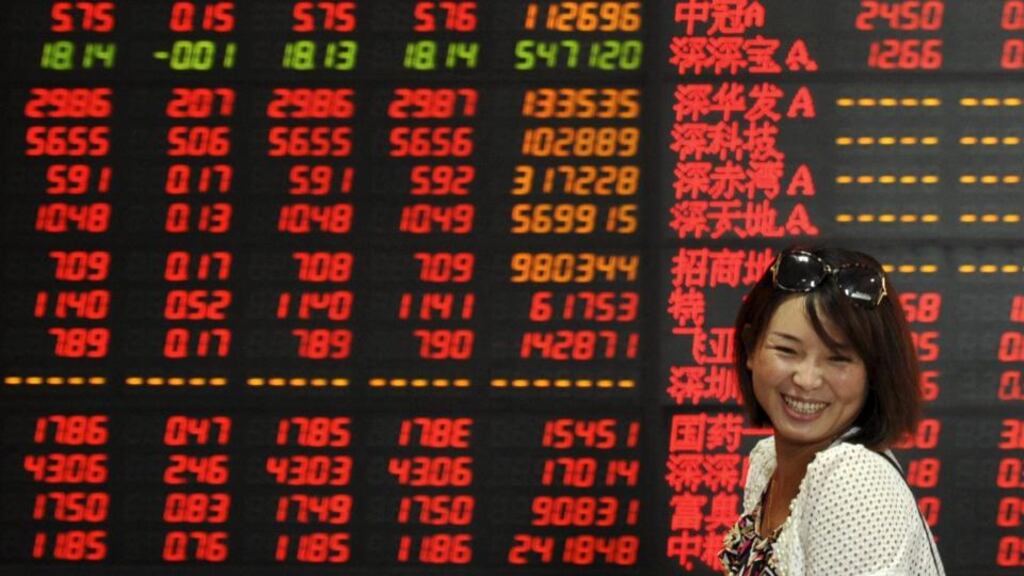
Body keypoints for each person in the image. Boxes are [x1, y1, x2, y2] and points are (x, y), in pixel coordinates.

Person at [719, 246, 945, 575]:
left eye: (838, 358)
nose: (806, 380)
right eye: (786, 350)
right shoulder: (770, 463)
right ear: (751, 348)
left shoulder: (854, 481)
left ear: (874, 373)